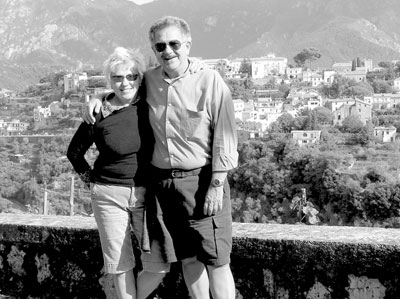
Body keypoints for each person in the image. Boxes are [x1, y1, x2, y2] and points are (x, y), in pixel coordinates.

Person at [83, 16, 238, 299]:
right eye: (160, 46)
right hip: (162, 187)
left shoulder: (209, 79)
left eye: (174, 44)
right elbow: (123, 90)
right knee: (188, 258)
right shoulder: (151, 80)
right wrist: (99, 99)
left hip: (201, 181)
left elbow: (225, 134)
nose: (167, 51)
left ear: (187, 45)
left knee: (216, 259)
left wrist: (217, 182)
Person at [68, 47, 172, 299]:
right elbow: (74, 153)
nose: (125, 82)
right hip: (108, 195)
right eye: (117, 78)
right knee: (120, 264)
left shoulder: (150, 103)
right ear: (109, 80)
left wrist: (99, 95)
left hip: (146, 196)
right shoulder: (99, 113)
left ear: (140, 78)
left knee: (159, 265)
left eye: (131, 76)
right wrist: (90, 182)